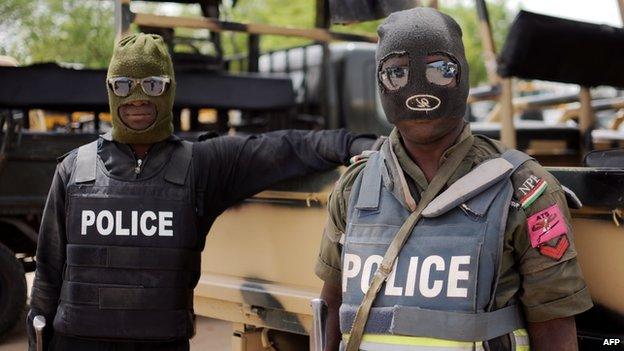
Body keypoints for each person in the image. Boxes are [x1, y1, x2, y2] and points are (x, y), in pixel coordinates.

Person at [27, 33, 375, 351]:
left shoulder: (199, 164)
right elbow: (46, 275)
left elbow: (287, 147)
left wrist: (356, 143)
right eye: (122, 85)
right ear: (109, 89)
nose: (136, 98)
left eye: (151, 84)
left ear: (169, 89)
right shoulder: (74, 169)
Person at [315, 8, 593, 351]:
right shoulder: (355, 187)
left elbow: (554, 329)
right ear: (380, 81)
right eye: (397, 73)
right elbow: (332, 309)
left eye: (439, 70)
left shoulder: (524, 190)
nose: (417, 86)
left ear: (462, 75)